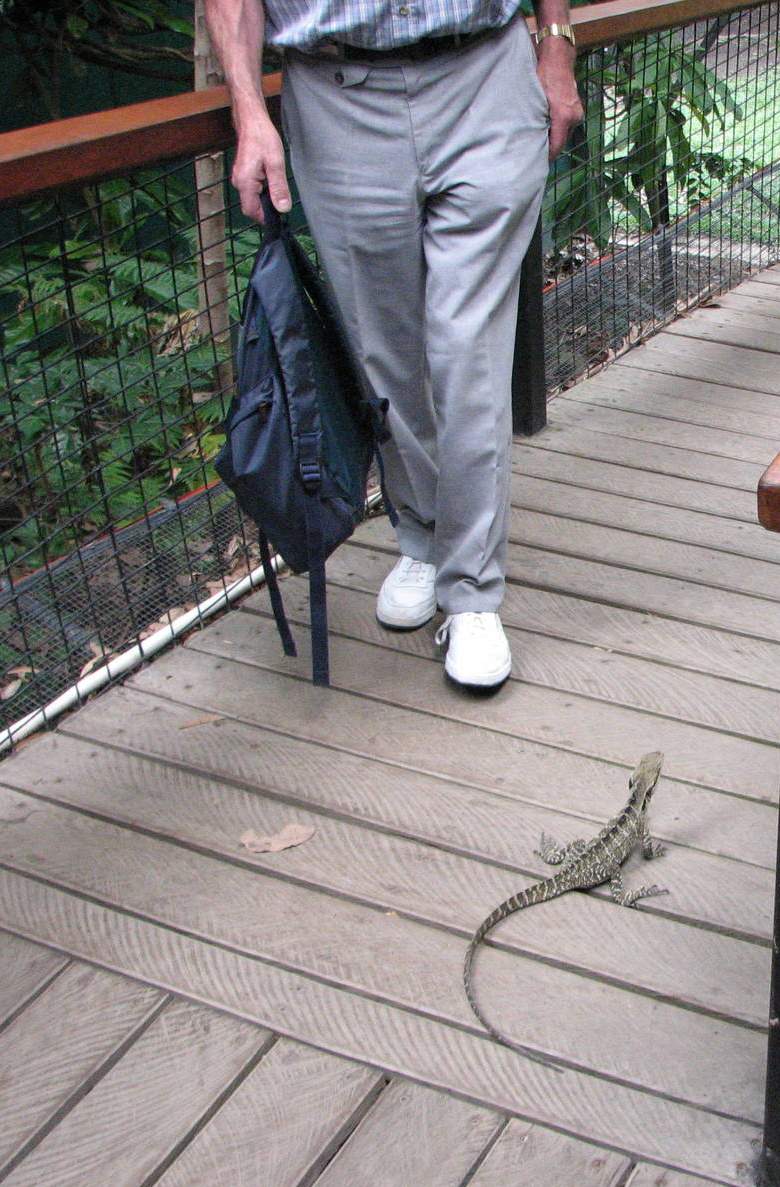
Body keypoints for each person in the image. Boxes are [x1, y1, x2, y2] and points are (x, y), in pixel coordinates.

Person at [206, 0, 584, 689]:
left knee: (466, 351)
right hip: (335, 97)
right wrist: (247, 112)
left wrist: (557, 44)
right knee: (384, 355)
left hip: (485, 79)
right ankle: (422, 532)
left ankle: (470, 591)